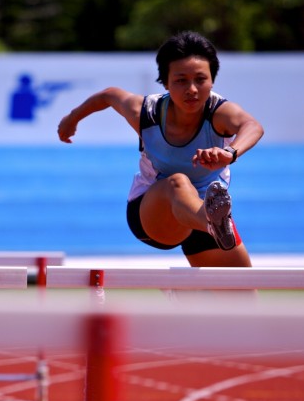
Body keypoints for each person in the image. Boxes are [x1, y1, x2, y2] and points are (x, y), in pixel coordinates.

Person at [57, 31, 264, 267]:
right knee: (178, 182)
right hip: (153, 214)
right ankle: (210, 221)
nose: (192, 89)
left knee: (243, 296)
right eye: (181, 80)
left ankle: (205, 240)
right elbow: (109, 95)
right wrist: (71, 119)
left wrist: (230, 153)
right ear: (165, 82)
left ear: (212, 81)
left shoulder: (219, 112)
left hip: (206, 213)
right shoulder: (146, 113)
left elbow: (252, 126)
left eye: (200, 79)